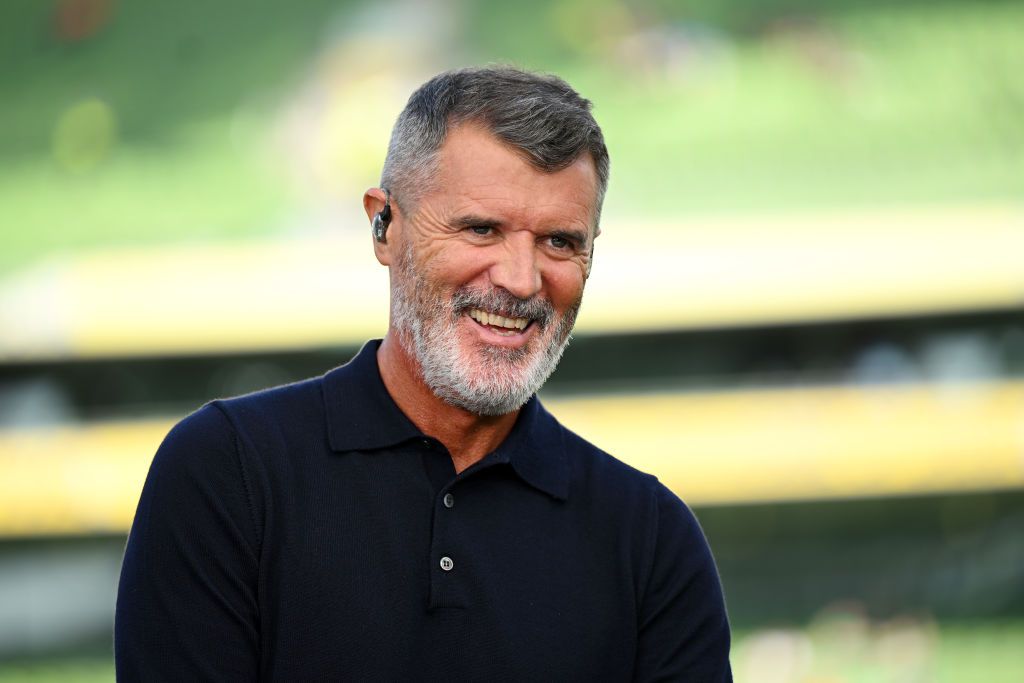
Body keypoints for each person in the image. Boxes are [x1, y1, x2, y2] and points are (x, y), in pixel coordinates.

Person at [115, 66, 732, 681]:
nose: (521, 279)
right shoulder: (228, 473)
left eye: (560, 243)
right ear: (384, 225)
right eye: (481, 229)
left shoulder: (649, 537)